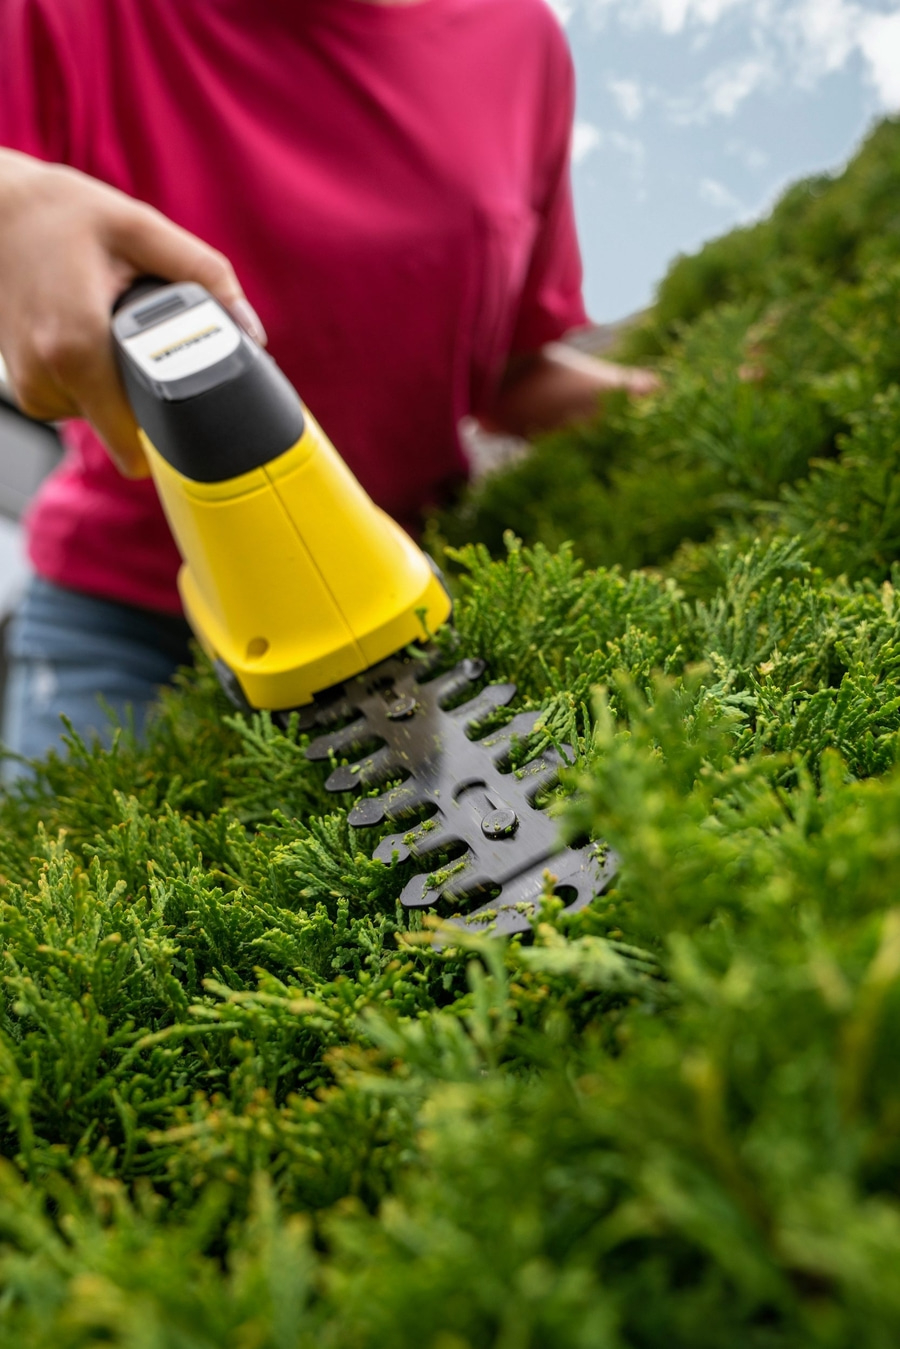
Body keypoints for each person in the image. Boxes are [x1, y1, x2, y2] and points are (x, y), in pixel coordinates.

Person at [0, 0, 655, 772]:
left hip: (391, 610)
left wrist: (661, 396)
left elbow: (508, 374)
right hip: (122, 621)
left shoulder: (523, 40)